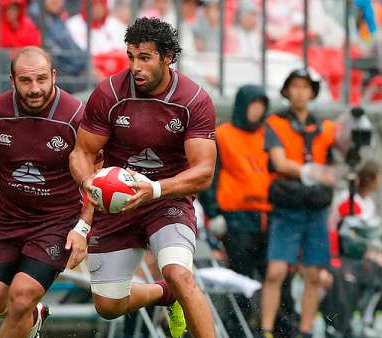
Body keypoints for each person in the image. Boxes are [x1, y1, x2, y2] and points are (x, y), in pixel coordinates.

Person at [69, 17, 216, 338]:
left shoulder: (193, 100)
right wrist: (88, 183)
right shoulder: (109, 93)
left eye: (145, 58)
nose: (135, 66)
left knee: (179, 274)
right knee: (108, 306)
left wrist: (155, 189)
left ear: (167, 57)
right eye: (131, 57)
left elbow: (204, 171)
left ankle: (175, 289)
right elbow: (81, 153)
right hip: (116, 202)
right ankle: (165, 295)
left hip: (167, 200)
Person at [0, 46, 91, 338]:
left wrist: (83, 228)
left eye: (42, 79)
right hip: (7, 220)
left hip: (56, 223)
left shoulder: (75, 116)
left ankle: (27, 308)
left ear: (54, 76)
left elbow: (98, 175)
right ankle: (34, 316)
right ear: (12, 80)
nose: (35, 89)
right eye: (26, 81)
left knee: (21, 295)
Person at [261, 69, 337, 338]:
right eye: (294, 86)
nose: (300, 92)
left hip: (316, 208)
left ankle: (305, 331)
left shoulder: (326, 127)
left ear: (313, 92)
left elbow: (341, 157)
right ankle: (266, 330)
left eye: (305, 87)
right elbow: (280, 163)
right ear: (286, 91)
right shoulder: (275, 123)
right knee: (276, 270)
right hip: (287, 206)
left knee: (314, 273)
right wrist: (314, 172)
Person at [199, 84, 270, 335]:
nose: (257, 110)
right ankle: (238, 329)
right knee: (240, 278)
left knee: (273, 278)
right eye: (253, 104)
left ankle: (274, 329)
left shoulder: (267, 136)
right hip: (236, 219)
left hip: (266, 218)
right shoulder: (222, 135)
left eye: (261, 105)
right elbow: (210, 177)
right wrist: (214, 212)